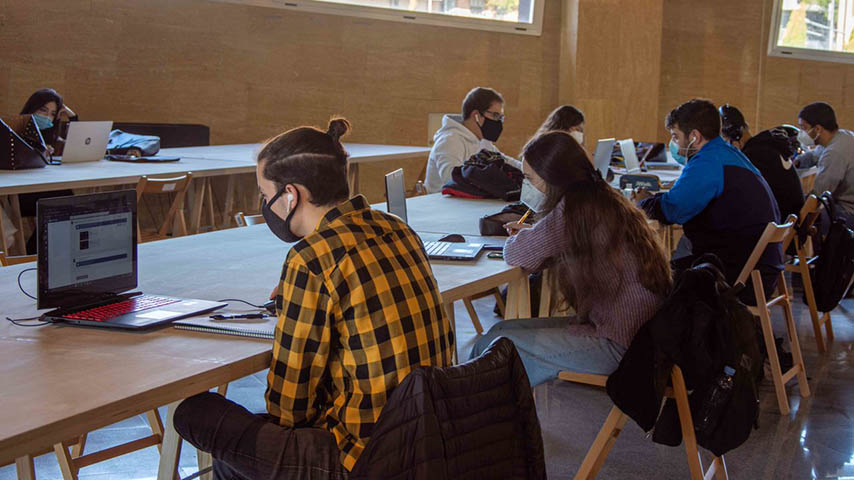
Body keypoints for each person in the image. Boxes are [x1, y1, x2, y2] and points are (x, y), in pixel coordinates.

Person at [173, 118, 455, 477]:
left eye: (265, 195)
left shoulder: (311, 259)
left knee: (197, 415)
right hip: (426, 440)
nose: (265, 204)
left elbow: (290, 406)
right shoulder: (398, 229)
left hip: (361, 460)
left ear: (291, 195)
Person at [470, 131, 670, 386]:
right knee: (498, 332)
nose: (529, 187)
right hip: (638, 337)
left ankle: (477, 414)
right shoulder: (601, 196)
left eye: (531, 179)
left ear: (551, 177)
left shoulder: (574, 209)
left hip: (619, 346)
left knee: (493, 345)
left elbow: (517, 253)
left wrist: (527, 235)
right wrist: (537, 234)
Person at [635, 99, 783, 303]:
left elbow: (672, 211)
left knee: (650, 278)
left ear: (694, 136)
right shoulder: (728, 154)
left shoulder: (708, 161)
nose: (675, 144)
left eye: (676, 137)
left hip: (735, 276)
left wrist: (643, 201)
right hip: (758, 270)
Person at [425, 87, 520, 193]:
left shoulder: (483, 141)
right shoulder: (450, 140)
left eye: (500, 117)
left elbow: (504, 161)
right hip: (443, 205)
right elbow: (453, 179)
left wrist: (529, 170)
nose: (498, 122)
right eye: (495, 115)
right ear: (476, 115)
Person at [719, 104, 804, 221]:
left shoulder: (754, 156)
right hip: (789, 219)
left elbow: (745, 198)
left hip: (779, 222)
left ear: (735, 136)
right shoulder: (764, 147)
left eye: (724, 140)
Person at [18, 88, 77, 254]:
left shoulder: (49, 133)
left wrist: (72, 118)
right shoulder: (17, 129)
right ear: (32, 108)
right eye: (43, 110)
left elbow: (78, 141)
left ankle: (38, 250)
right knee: (63, 200)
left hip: (39, 188)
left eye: (52, 113)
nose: (46, 117)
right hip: (19, 192)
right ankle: (34, 252)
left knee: (67, 198)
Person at [794, 101, 854, 227]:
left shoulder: (834, 153)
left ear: (817, 129)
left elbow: (818, 196)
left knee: (809, 216)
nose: (801, 133)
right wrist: (797, 161)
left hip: (848, 213)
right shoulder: (842, 137)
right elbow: (815, 155)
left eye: (804, 128)